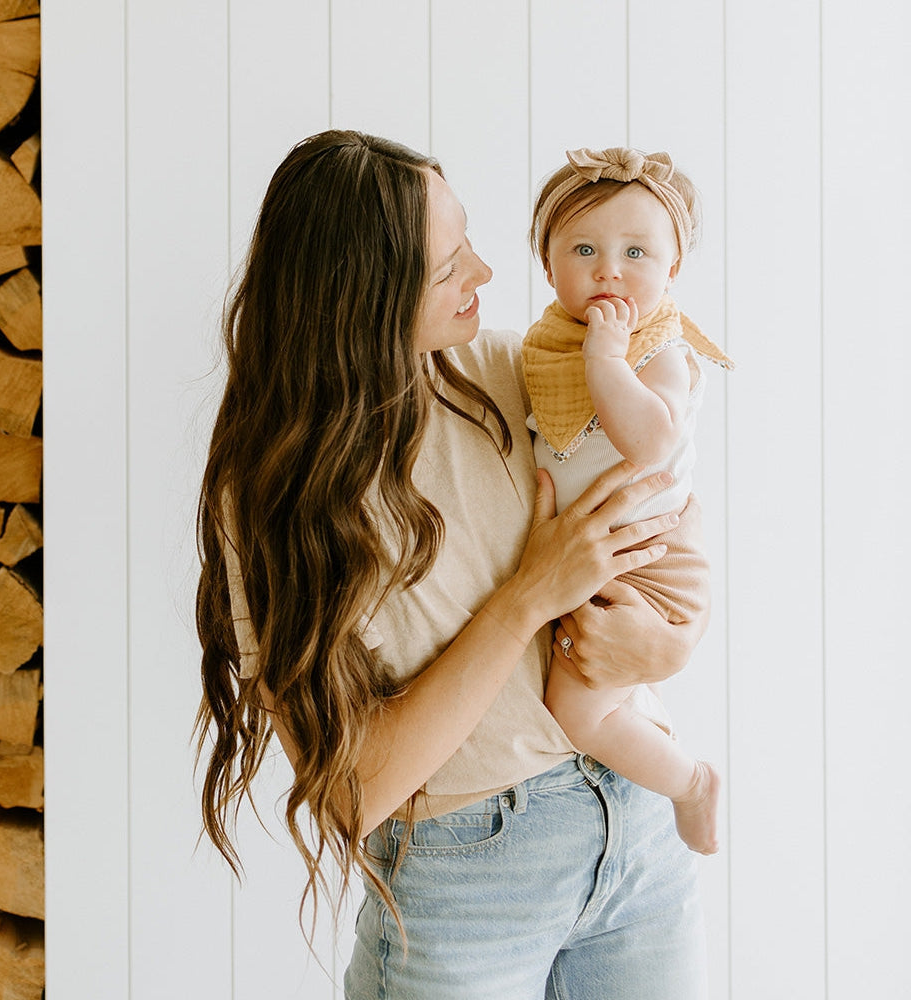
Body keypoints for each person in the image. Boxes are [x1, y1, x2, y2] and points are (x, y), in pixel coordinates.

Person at [195, 130, 711, 999]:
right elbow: (354, 794)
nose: (485, 271)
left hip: (638, 830)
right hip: (465, 882)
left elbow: (666, 512)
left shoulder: (519, 371)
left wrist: (672, 641)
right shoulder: (272, 498)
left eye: (467, 239)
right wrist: (526, 599)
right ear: (362, 296)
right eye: (447, 267)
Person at [524, 146, 733, 855]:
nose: (609, 269)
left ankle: (691, 783)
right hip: (601, 559)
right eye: (584, 250)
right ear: (548, 267)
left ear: (672, 270)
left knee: (577, 711)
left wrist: (607, 360)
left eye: (636, 252)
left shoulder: (658, 348)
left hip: (650, 561)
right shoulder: (546, 348)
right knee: (589, 690)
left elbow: (649, 441)